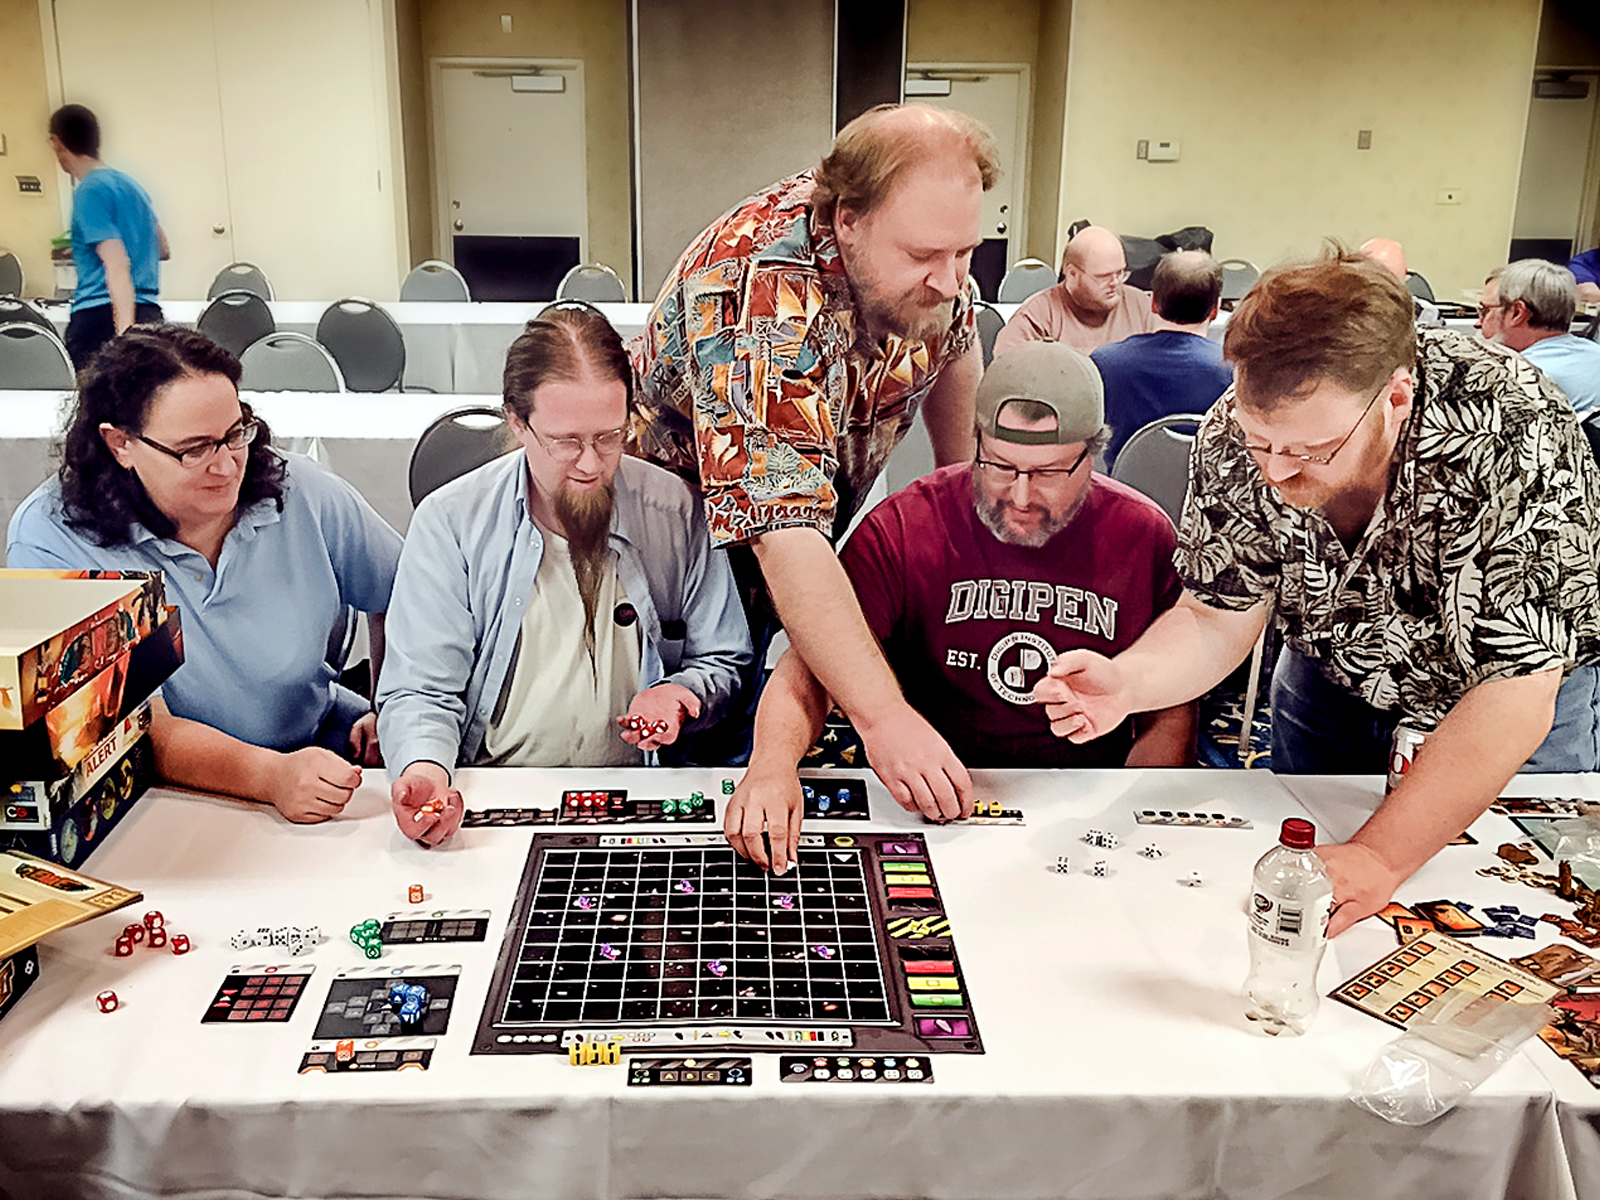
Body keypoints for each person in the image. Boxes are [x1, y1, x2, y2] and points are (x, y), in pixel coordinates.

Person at [1035, 246, 1600, 937]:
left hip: (1502, 707)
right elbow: (1217, 616)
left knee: (1523, 915)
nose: (1276, 471)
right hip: (1334, 678)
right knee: (1317, 914)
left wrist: (1381, 854)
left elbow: (1517, 687)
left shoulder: (1515, 426)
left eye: (1311, 450)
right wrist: (1131, 681)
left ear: (1395, 399)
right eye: (1260, 440)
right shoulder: (1233, 431)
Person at [629, 103, 994, 813]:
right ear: (848, 221)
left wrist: (961, 486)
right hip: (692, 543)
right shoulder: (756, 297)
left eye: (966, 254)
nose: (950, 279)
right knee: (715, 729)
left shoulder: (926, 248)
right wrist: (882, 720)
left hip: (813, 508)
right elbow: (782, 531)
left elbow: (954, 330)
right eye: (925, 257)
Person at [726, 341, 1195, 871]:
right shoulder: (906, 525)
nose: (1019, 496)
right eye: (998, 465)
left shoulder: (1144, 533)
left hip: (1084, 798)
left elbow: (1172, 705)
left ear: (1092, 455)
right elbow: (814, 665)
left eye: (1047, 473)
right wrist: (770, 763)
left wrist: (1140, 806)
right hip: (930, 793)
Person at [379, 305, 752, 847]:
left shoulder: (673, 510)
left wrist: (681, 692)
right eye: (565, 441)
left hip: (641, 797)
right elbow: (421, 690)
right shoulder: (452, 522)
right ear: (516, 423)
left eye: (610, 436)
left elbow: (725, 659)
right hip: (498, 792)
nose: (590, 464)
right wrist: (425, 770)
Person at [6, 325, 402, 823]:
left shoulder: (300, 491)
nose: (227, 466)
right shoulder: (53, 538)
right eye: (194, 450)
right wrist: (269, 776)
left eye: (235, 434)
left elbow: (408, 595)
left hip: (315, 750)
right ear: (119, 444)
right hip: (152, 796)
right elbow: (128, 728)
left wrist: (393, 708)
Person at [48, 104, 169, 368]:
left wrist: (125, 336)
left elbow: (117, 263)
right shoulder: (132, 186)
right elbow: (162, 248)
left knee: (99, 407)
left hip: (102, 319)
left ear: (57, 143)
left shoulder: (89, 191)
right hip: (149, 315)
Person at [1090, 250, 1233, 464]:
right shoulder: (1236, 372)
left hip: (1124, 491)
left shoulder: (1104, 362)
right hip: (1205, 492)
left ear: (1153, 302)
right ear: (1215, 309)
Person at [992, 225, 1155, 357]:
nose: (1115, 283)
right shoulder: (1038, 315)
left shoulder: (1141, 306)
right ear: (1072, 274)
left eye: (1121, 273)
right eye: (1104, 276)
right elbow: (1006, 370)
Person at [1478, 260, 1600, 419]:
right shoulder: (1595, 354)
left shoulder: (1514, 377)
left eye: (1484, 311)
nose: (1477, 323)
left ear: (1517, 313)